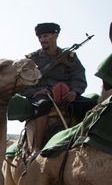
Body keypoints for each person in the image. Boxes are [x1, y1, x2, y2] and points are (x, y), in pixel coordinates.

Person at [23, 22, 93, 153]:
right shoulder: (32, 60)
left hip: (66, 96)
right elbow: (24, 85)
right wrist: (37, 91)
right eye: (40, 37)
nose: (42, 40)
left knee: (91, 105)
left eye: (45, 36)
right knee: (43, 105)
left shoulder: (69, 57)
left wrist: (74, 92)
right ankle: (37, 148)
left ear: (55, 35)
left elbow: (79, 78)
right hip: (43, 95)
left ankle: (87, 143)